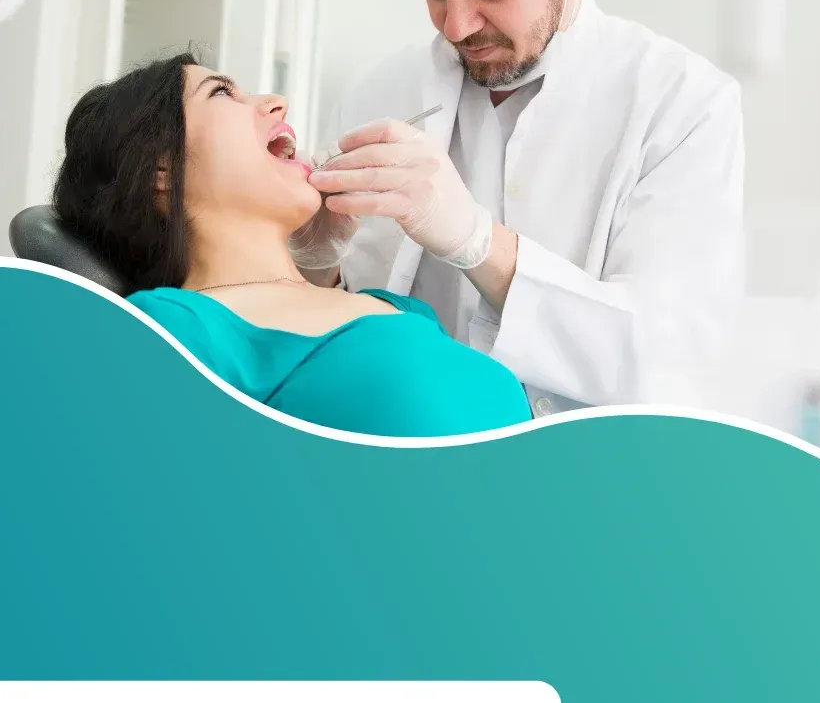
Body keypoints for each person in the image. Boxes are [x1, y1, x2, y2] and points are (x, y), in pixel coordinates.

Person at [293, 0, 746, 418]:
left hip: (588, 472)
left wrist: (480, 244)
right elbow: (336, 336)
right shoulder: (379, 91)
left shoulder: (682, 102)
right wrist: (316, 265)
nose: (456, 26)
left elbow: (666, 355)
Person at [50, 53, 532, 437]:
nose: (276, 101)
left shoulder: (398, 309)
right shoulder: (170, 328)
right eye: (221, 93)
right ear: (162, 170)